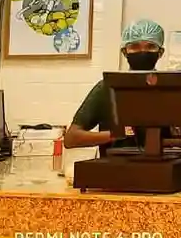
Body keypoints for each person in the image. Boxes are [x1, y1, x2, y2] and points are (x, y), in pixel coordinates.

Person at [63, 19, 165, 152]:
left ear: (160, 52)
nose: (143, 51)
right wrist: (118, 134)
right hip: (116, 163)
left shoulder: (172, 89)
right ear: (124, 52)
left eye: (150, 46)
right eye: (135, 46)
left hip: (168, 163)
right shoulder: (108, 88)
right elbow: (71, 138)